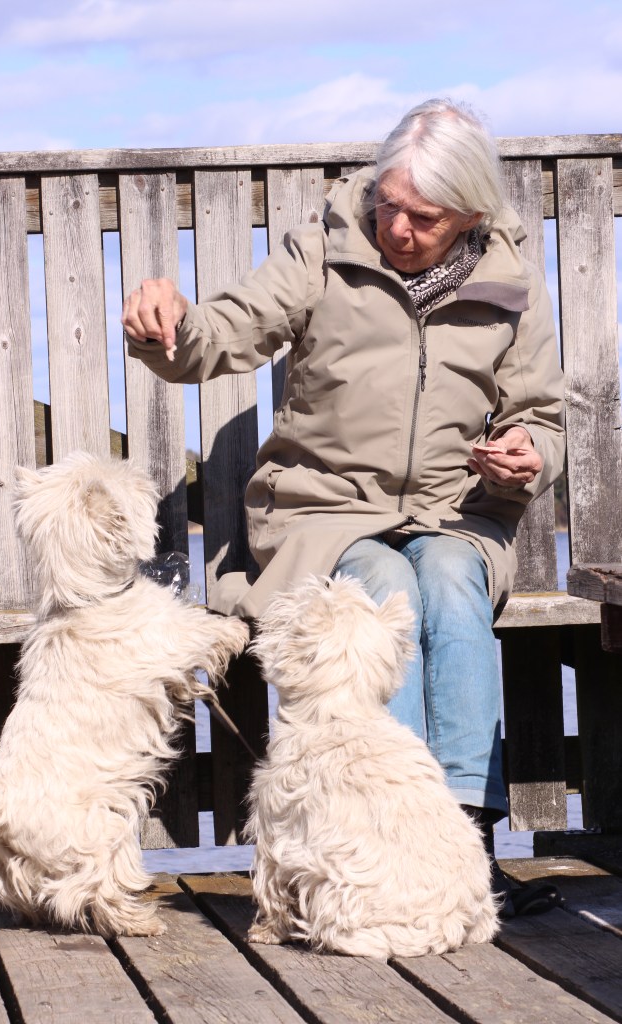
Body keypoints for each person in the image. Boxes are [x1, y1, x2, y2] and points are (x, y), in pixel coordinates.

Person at [122, 99, 565, 916]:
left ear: (470, 216)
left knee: (448, 581)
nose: (396, 228)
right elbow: (226, 331)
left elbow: (538, 413)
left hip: (453, 515)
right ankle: (388, 837)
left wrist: (528, 455)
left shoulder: (510, 283)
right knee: (381, 590)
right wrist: (167, 329)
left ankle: (463, 847)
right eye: (387, 205)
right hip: (321, 513)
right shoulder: (323, 251)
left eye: (423, 218)